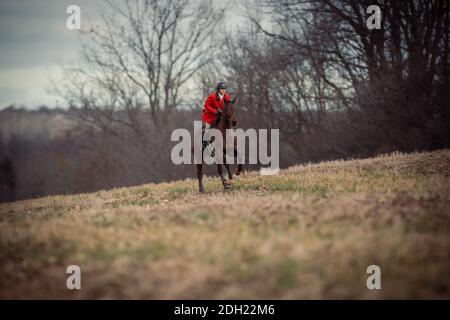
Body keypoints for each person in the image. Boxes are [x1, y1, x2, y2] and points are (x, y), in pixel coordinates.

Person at [201, 82, 230, 146]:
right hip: (210, 116)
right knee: (207, 127)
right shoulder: (212, 97)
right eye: (222, 89)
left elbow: (228, 107)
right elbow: (206, 105)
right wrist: (215, 111)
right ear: (218, 90)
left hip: (221, 116)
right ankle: (205, 142)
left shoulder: (227, 97)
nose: (223, 91)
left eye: (224, 89)